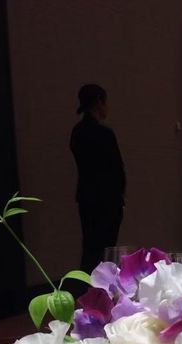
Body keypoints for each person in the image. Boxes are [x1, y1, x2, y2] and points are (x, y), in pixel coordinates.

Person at [70, 84, 126, 274]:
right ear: (99, 102)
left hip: (86, 199)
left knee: (90, 247)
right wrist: (120, 199)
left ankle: (85, 286)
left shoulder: (77, 132)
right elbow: (116, 170)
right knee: (105, 250)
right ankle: (102, 287)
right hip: (108, 201)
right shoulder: (104, 134)